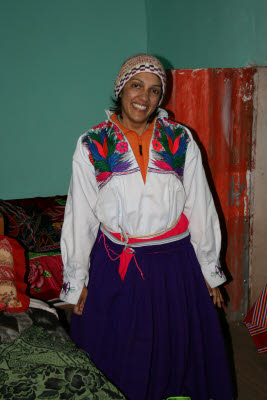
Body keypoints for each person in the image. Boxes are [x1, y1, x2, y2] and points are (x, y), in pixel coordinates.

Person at [60, 54, 233, 400]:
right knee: (120, 349)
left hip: (175, 263)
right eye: (136, 85)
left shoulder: (180, 140)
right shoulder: (92, 145)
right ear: (121, 88)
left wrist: (209, 271)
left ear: (161, 97)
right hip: (116, 263)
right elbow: (80, 216)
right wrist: (76, 280)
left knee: (179, 348)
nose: (144, 97)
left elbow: (199, 206)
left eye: (155, 90)